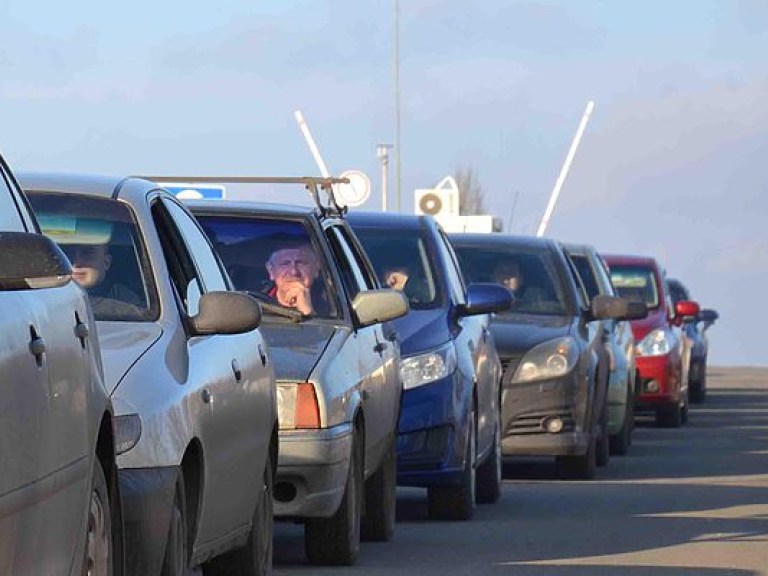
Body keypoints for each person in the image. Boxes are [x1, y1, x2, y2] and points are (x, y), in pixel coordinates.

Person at [64, 243, 143, 316]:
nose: (75, 263)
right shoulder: (52, 295)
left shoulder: (126, 299)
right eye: (68, 255)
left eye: (87, 254)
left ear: (106, 263)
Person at [264, 243, 323, 315]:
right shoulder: (257, 304)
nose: (294, 272)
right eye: (285, 264)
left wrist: (308, 312)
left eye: (301, 263)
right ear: (271, 270)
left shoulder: (335, 303)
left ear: (316, 269)